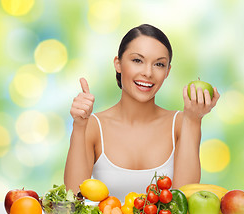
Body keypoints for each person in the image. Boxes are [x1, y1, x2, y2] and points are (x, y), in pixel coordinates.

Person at [64, 24, 220, 200]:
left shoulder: (181, 123)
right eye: (137, 60)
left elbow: (183, 200)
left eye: (159, 64)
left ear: (167, 71)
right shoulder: (92, 126)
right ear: (118, 64)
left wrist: (193, 120)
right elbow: (73, 198)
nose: (148, 73)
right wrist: (79, 126)